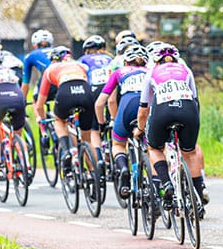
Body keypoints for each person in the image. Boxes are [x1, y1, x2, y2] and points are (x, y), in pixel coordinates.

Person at [133, 43, 207, 207]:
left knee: (154, 149)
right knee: (190, 152)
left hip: (163, 111)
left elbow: (143, 109)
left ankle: (166, 184)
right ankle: (197, 197)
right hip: (188, 110)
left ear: (156, 60)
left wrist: (140, 129)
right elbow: (195, 99)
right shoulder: (185, 70)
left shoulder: (151, 72)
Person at [95, 41, 149, 198]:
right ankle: (155, 183)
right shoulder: (151, 71)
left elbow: (101, 103)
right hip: (146, 109)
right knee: (154, 147)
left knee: (118, 144)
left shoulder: (119, 72)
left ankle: (123, 168)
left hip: (126, 106)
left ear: (126, 61)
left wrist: (102, 124)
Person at [33, 46, 92, 175]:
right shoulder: (80, 65)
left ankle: (66, 151)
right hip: (85, 92)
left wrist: (42, 120)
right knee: (87, 139)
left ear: (54, 60)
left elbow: (39, 105)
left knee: (59, 120)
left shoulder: (50, 69)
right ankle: (95, 173)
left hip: (65, 92)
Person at [79, 35, 114, 170]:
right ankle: (111, 152)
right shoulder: (109, 58)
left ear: (87, 50)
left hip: (93, 90)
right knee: (112, 121)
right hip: (111, 90)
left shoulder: (83, 59)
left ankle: (99, 160)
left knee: (94, 129)